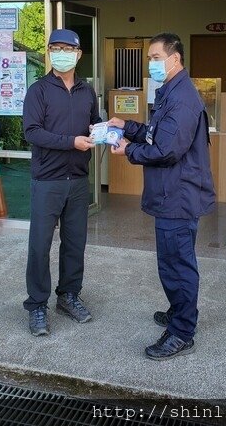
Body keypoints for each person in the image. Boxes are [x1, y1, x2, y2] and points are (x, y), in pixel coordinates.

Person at [109, 32, 215, 361]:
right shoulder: (170, 91)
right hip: (171, 192)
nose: (151, 63)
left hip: (178, 196)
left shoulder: (182, 97)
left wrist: (129, 150)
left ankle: (182, 332)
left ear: (174, 59)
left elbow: (166, 150)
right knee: (170, 262)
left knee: (177, 264)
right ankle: (178, 311)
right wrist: (126, 126)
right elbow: (158, 133)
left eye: (156, 58)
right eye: (150, 58)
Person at [22, 28, 100, 337]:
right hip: (48, 180)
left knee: (75, 243)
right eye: (55, 47)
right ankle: (37, 304)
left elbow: (93, 123)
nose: (61, 53)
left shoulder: (86, 91)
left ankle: (68, 295)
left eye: (67, 48)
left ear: (79, 54)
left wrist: (101, 133)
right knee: (39, 246)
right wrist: (72, 142)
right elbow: (32, 132)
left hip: (78, 180)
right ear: (49, 53)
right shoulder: (38, 90)